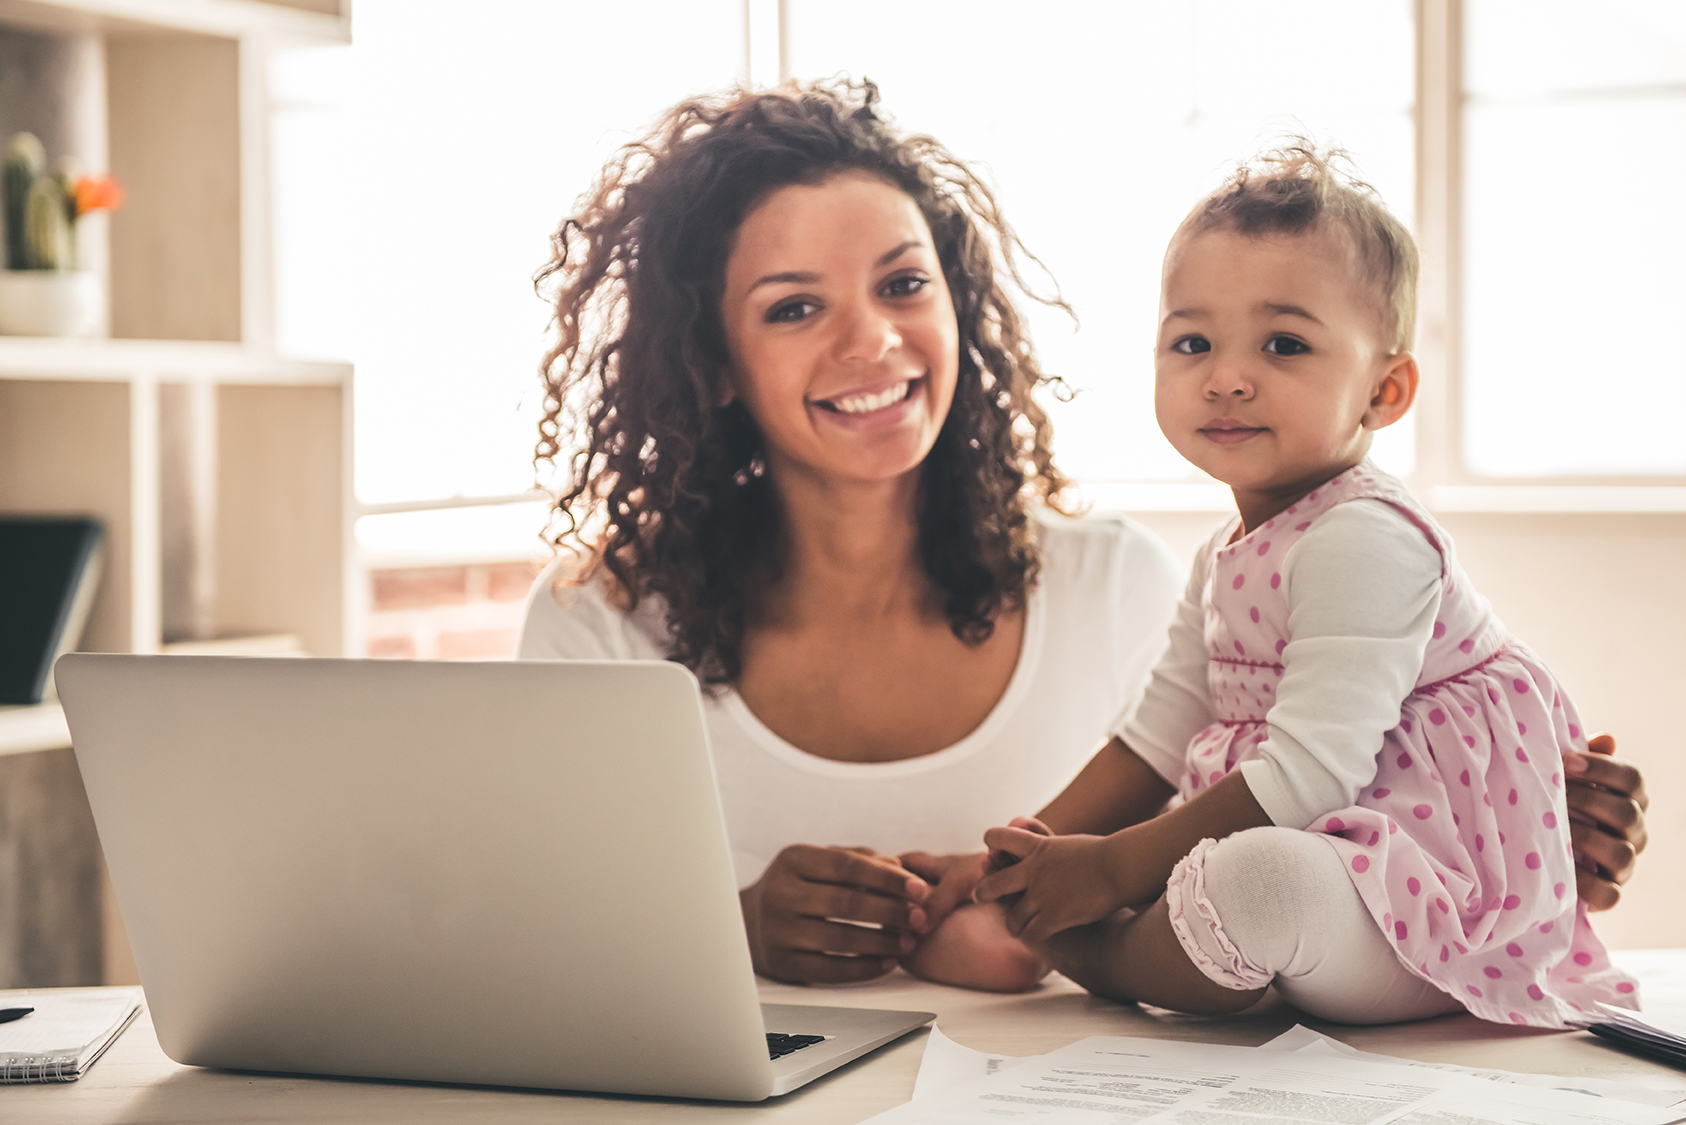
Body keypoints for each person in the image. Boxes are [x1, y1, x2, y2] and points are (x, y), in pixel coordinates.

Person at [517, 81, 1650, 993]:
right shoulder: (597, 625)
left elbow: (1294, 822)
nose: (872, 341)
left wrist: (1530, 827)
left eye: (904, 283)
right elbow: (524, 943)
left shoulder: (1118, 580)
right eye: (795, 306)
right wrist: (734, 930)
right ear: (710, 361)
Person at [974, 143, 1637, 1027]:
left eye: (1283, 343)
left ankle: (1101, 952)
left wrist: (1106, 873)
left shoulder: (1364, 535)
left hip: (1433, 894)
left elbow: (1310, 776)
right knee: (1236, 869)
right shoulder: (1226, 551)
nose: (1227, 375)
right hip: (1328, 860)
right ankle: (1133, 934)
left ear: (1385, 389)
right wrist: (1040, 851)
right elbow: (1154, 738)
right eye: (1192, 340)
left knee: (1264, 882)